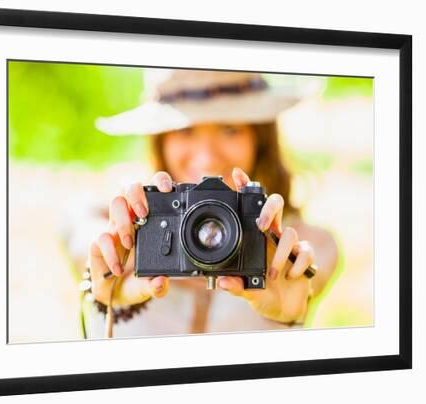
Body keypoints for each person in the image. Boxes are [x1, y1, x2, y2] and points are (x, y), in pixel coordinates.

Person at [85, 69, 338, 337]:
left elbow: (319, 258)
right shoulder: (119, 227)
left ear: (260, 139)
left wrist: (294, 293)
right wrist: (112, 274)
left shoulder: (294, 246)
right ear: (161, 141)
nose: (207, 157)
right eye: (186, 130)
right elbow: (81, 239)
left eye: (230, 129)